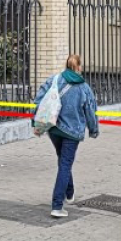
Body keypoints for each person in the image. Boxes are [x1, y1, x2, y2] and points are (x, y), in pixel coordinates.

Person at [32, 54, 99, 218]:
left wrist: (35, 123)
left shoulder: (54, 80)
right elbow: (90, 111)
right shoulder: (84, 88)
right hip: (72, 132)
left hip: (54, 129)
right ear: (79, 67)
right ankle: (57, 205)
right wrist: (93, 129)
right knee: (65, 164)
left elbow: (39, 101)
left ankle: (69, 192)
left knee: (63, 160)